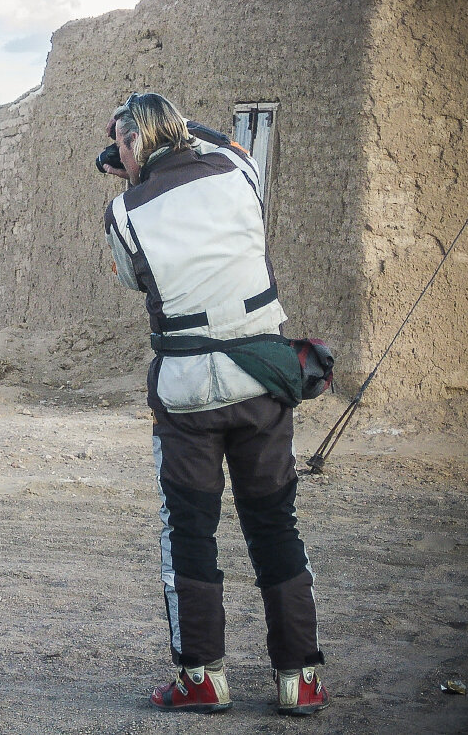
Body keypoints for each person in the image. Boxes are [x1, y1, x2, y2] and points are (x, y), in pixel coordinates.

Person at [101, 94, 329, 715]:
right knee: (275, 522)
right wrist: (178, 133)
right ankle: (299, 677)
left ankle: (202, 675)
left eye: (121, 142)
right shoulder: (239, 170)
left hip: (187, 391)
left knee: (190, 531)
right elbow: (226, 148)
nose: (116, 155)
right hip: (261, 381)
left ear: (134, 142)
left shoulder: (123, 212)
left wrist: (142, 168)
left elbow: (133, 278)